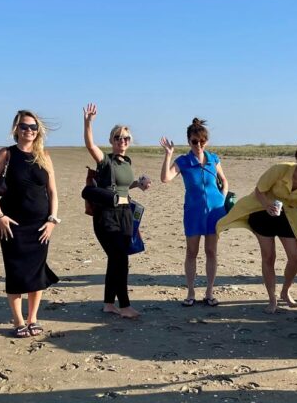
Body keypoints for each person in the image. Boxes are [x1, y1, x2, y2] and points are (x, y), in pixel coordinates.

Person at [217, 135, 297, 313]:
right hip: (262, 213)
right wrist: (267, 205)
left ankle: (285, 291)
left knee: (295, 256)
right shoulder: (279, 170)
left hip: (289, 217)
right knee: (269, 257)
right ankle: (272, 299)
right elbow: (259, 191)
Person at [0, 110, 60, 338]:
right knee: (16, 272)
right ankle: (18, 321)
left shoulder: (44, 155)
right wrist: (0, 216)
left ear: (38, 131)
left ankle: (33, 318)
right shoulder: (6, 154)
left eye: (33, 127)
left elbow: (53, 192)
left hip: (40, 225)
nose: (29, 131)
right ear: (16, 129)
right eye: (24, 126)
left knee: (36, 273)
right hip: (12, 225)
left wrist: (52, 220)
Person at [83, 103, 152, 319]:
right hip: (107, 215)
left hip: (125, 214)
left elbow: (122, 186)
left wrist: (138, 184)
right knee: (120, 259)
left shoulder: (127, 162)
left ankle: (108, 303)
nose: (122, 142)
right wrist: (88, 123)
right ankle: (124, 306)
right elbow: (90, 145)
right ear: (112, 141)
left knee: (116, 259)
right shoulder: (105, 161)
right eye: (118, 138)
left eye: (126, 139)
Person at [159, 118, 230, 307]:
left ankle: (209, 292)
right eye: (194, 141)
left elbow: (224, 180)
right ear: (188, 141)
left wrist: (222, 199)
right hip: (193, 212)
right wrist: (168, 155)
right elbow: (165, 178)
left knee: (211, 251)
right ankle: (190, 292)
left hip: (215, 211)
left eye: (202, 141)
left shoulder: (213, 159)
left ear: (206, 141)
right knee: (191, 252)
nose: (199, 145)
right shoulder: (183, 161)